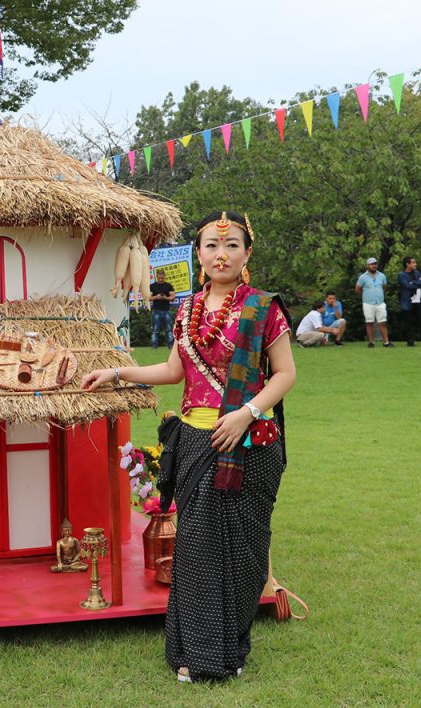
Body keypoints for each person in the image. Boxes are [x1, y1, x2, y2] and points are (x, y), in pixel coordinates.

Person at [81, 211, 296, 682]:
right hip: (199, 441)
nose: (222, 254)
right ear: (198, 255)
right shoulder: (187, 309)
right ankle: (198, 653)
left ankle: (231, 646)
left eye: (232, 245)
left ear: (247, 254)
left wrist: (246, 413)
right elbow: (174, 371)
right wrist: (118, 371)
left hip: (250, 444)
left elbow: (285, 374)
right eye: (212, 247)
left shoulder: (263, 308)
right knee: (196, 550)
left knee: (246, 554)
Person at [355, 257, 393, 348]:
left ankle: (386, 342)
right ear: (368, 266)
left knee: (383, 322)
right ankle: (371, 342)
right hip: (368, 303)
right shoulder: (363, 277)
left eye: (375, 264)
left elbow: (384, 286)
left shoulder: (382, 276)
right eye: (372, 264)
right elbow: (357, 289)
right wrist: (365, 296)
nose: (374, 266)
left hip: (380, 302)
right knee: (369, 322)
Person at [149, 271, 176, 349]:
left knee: (169, 330)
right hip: (156, 310)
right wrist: (156, 297)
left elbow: (173, 297)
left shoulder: (168, 286)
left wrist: (165, 298)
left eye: (162, 278)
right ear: (156, 276)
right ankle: (154, 347)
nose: (161, 279)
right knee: (155, 330)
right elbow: (149, 297)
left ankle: (170, 346)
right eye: (159, 278)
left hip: (166, 310)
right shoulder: (152, 286)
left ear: (164, 276)